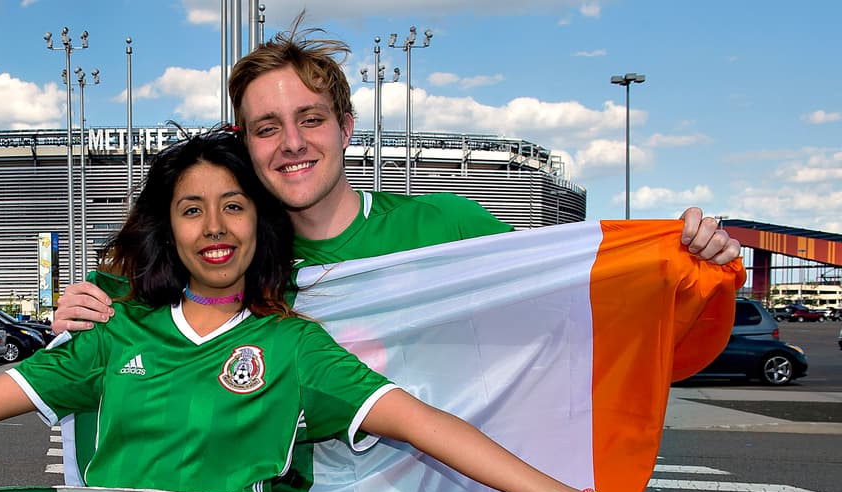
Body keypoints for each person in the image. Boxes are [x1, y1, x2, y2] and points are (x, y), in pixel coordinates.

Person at [0, 131, 654, 492]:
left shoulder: (297, 349)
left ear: (260, 224)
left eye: (234, 205)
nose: (215, 226)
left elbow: (427, 425)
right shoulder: (113, 338)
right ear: (170, 229)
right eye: (191, 209)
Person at [54, 21, 740, 337]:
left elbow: (587, 312)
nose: (292, 144)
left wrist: (684, 265)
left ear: (346, 128)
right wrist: (76, 312)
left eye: (311, 119)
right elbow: (128, 324)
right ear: (246, 142)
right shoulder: (226, 257)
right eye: (267, 127)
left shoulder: (447, 227)